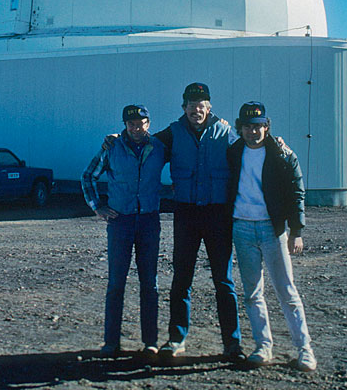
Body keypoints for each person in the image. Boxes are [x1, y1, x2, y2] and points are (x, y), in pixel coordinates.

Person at [151, 83, 245, 362]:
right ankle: (176, 338)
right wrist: (116, 138)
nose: (196, 109)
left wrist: (275, 142)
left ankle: (232, 344)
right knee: (182, 279)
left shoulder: (225, 132)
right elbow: (144, 145)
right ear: (184, 108)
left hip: (218, 216)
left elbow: (251, 146)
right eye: (191, 105)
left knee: (224, 281)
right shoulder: (173, 133)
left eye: (201, 104)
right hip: (186, 214)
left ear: (209, 106)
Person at [226, 101, 316, 371]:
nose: (253, 132)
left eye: (258, 126)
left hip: (272, 229)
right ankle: (263, 346)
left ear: (266, 127)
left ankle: (305, 350)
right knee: (252, 293)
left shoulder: (282, 154)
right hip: (242, 229)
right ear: (239, 129)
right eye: (247, 127)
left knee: (286, 291)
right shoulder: (233, 152)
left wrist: (296, 231)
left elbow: (296, 191)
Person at [81, 104, 169, 360]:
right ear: (125, 125)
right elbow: (88, 176)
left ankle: (150, 342)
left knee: (149, 285)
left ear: (148, 124)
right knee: (116, 284)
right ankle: (111, 343)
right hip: (120, 222)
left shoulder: (159, 148)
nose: (136, 128)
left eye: (141, 123)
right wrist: (98, 207)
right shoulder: (111, 148)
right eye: (131, 124)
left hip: (149, 222)